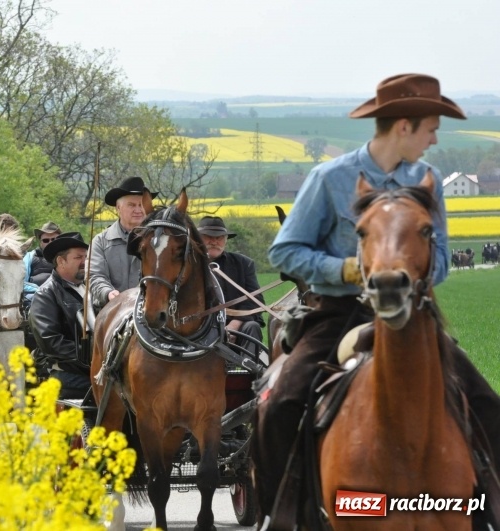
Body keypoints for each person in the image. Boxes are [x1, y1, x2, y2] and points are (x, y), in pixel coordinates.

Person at [260, 73, 500, 516]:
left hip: (414, 315)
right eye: (430, 128)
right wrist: (346, 269)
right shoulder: (329, 177)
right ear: (404, 127)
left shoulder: (427, 178)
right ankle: (280, 517)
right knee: (282, 403)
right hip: (337, 313)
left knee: (486, 403)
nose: (433, 140)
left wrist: (412, 271)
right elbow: (285, 250)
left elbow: (442, 257)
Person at [30, 232, 95, 399]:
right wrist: (93, 355)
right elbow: (50, 342)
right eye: (78, 257)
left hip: (98, 366)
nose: (84, 263)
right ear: (61, 261)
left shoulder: (93, 289)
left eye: (86, 257)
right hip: (66, 372)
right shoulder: (46, 294)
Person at [197, 216, 265, 356]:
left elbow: (255, 300)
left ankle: (249, 375)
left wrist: (235, 324)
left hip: (236, 326)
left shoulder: (244, 264)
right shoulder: (187, 265)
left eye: (220, 237)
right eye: (208, 237)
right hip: (197, 329)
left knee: (252, 327)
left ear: (226, 240)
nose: (214, 241)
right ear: (198, 239)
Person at [89, 177, 158, 309]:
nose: (138, 210)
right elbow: (94, 275)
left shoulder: (160, 240)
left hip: (151, 310)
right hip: (111, 312)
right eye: (132, 205)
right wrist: (108, 293)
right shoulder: (101, 241)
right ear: (118, 208)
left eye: (141, 205)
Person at [23, 221, 62, 287]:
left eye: (53, 239)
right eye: (46, 240)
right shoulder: (29, 257)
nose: (50, 242)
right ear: (40, 242)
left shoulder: (68, 257)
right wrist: (39, 292)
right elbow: (22, 283)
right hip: (33, 295)